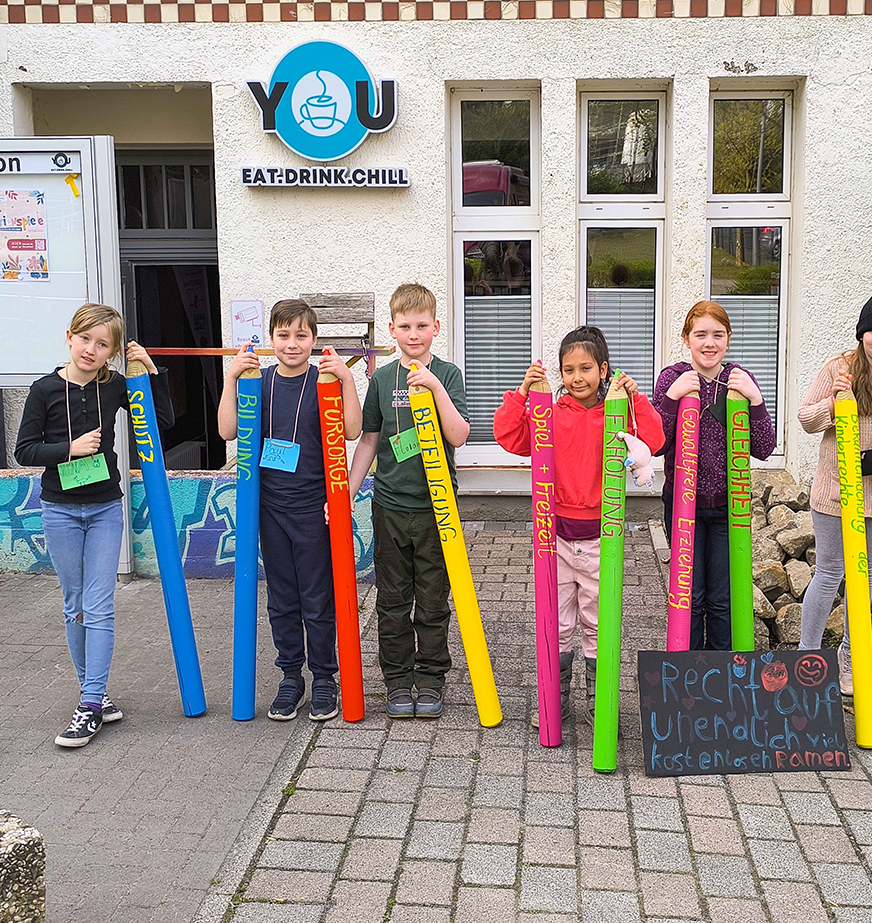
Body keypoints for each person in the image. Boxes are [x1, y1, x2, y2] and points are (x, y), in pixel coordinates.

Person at [14, 302, 171, 749]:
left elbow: (160, 424)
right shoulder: (43, 390)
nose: (91, 349)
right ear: (70, 337)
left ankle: (88, 704)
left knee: (98, 605)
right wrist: (70, 448)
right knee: (74, 606)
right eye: (85, 339)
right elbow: (23, 451)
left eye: (103, 344)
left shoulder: (115, 386)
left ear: (113, 352)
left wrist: (150, 374)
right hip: (60, 509)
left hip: (104, 509)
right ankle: (95, 696)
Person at [493, 327, 665, 724]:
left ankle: (599, 702)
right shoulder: (549, 414)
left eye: (586, 368)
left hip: (602, 539)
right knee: (558, 621)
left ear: (603, 370)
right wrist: (521, 394)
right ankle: (555, 701)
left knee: (597, 620)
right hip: (554, 540)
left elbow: (653, 440)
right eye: (568, 370)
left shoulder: (617, 414)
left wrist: (636, 398)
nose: (577, 377)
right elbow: (508, 436)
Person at [218, 300, 360, 723]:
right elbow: (228, 430)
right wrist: (230, 380)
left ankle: (323, 678)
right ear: (271, 340)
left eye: (301, 336)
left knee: (316, 597)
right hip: (269, 509)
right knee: (281, 598)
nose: (292, 344)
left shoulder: (325, 382)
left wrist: (348, 380)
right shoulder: (256, 383)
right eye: (283, 335)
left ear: (314, 340)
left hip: (313, 509)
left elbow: (351, 430)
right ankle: (290, 677)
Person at [346, 283, 471, 720]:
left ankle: (432, 677)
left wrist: (435, 387)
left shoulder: (449, 374)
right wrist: (346, 493)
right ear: (392, 330)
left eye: (422, 325)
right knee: (393, 599)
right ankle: (398, 681)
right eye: (404, 326)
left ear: (436, 327)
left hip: (439, 509)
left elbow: (458, 435)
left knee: (434, 599)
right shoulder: (382, 379)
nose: (413, 334)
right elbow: (369, 440)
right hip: (391, 508)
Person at [796, 289, 872, 695]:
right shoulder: (838, 367)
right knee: (831, 571)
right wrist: (834, 402)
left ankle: (851, 657)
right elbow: (805, 419)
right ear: (862, 332)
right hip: (835, 491)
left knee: (864, 575)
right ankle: (807, 656)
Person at [653, 301, 776, 649]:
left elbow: (764, 448)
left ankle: (721, 683)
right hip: (682, 507)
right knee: (688, 599)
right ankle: (687, 677)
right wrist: (672, 399)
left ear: (729, 339)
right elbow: (656, 443)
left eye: (717, 335)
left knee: (722, 600)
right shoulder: (671, 377)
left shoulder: (739, 379)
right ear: (686, 339)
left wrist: (756, 400)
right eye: (700, 334)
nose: (709, 343)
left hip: (728, 509)